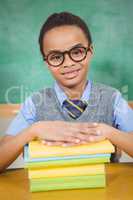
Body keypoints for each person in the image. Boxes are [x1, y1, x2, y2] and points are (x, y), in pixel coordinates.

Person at [0, 12, 133, 173]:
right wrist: (33, 130)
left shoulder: (113, 98)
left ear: (90, 51)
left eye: (76, 52)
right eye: (56, 57)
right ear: (46, 62)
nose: (68, 63)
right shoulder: (34, 103)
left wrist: (108, 132)